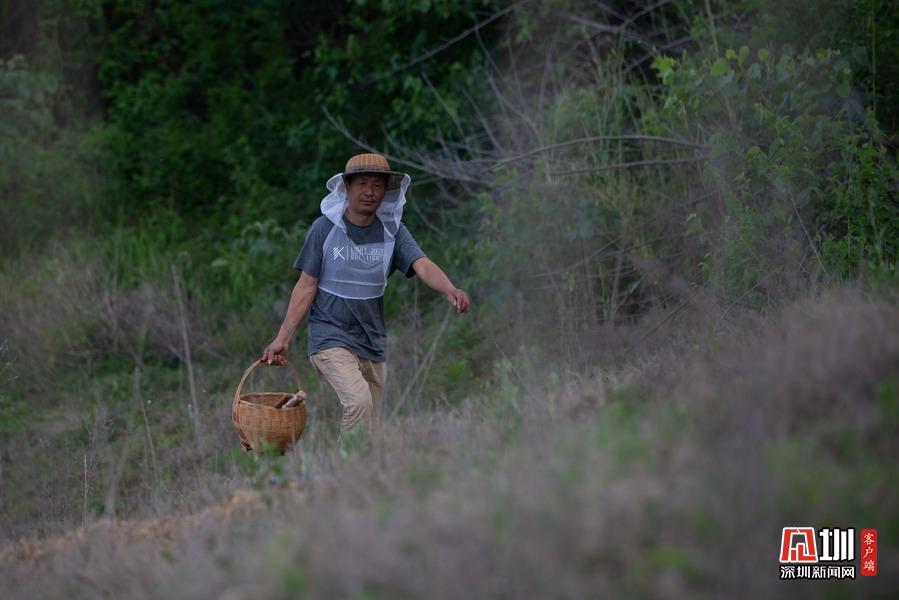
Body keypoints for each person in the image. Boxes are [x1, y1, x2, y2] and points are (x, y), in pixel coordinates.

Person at [261, 153, 470, 449]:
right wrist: (283, 337)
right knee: (358, 402)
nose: (369, 191)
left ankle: (355, 471)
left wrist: (450, 289)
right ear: (347, 186)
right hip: (330, 336)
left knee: (371, 422)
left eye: (377, 185)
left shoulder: (392, 231)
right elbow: (306, 286)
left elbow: (422, 263)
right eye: (362, 183)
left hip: (372, 340)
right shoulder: (324, 229)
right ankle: (344, 468)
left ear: (386, 191)